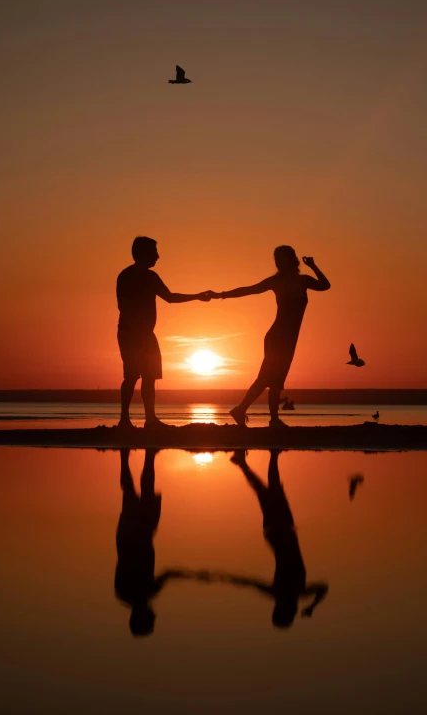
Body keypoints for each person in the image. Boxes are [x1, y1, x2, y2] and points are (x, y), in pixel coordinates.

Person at [211, 247, 330, 427]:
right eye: (277, 259)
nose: (279, 262)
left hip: (289, 339)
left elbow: (325, 285)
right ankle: (240, 409)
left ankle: (273, 419)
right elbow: (249, 290)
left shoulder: (303, 280)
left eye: (282, 258)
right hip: (277, 337)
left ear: (292, 260)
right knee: (265, 378)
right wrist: (222, 295)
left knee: (277, 381)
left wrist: (313, 266)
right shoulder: (276, 282)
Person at [223, 450, 329, 628]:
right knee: (267, 492)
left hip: (281, 533)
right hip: (277, 533)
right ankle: (248, 461)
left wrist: (312, 605)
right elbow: (323, 587)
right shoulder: (289, 593)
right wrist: (312, 606)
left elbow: (323, 588)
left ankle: (260, 457)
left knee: (268, 492)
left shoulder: (293, 592)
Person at [116, 236, 212, 429]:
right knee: (132, 376)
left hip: (146, 335)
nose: (158, 256)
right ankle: (125, 419)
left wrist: (196, 296)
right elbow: (123, 306)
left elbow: (169, 297)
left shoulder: (152, 277)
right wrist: (137, 329)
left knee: (149, 376)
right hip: (131, 334)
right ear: (144, 253)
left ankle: (150, 419)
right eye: (154, 252)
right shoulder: (126, 276)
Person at [114, 449, 190, 637]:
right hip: (129, 537)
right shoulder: (124, 594)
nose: (154, 614)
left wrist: (176, 574)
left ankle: (143, 456)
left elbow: (164, 576)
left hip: (138, 535)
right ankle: (130, 457)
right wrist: (177, 574)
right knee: (130, 493)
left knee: (137, 492)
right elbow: (166, 576)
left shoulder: (141, 593)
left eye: (151, 618)